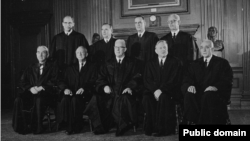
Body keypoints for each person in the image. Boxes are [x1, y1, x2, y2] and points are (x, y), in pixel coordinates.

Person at [84, 39, 140, 136]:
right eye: (116, 47)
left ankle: (122, 126)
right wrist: (104, 86)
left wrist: (129, 87)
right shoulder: (107, 63)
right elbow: (100, 78)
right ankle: (101, 126)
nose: (117, 49)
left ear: (125, 49)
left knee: (124, 99)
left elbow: (137, 77)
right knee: (96, 98)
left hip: (124, 92)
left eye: (120, 47)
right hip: (110, 92)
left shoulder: (132, 63)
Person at [182, 40, 233, 125]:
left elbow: (227, 80)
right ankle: (192, 123)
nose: (204, 50)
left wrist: (215, 87)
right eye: (202, 47)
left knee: (208, 95)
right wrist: (189, 86)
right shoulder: (194, 64)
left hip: (215, 94)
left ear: (212, 49)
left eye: (207, 47)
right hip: (198, 93)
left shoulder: (222, 63)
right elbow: (187, 78)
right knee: (189, 94)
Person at [12, 46, 58, 134]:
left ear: (47, 54)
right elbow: (22, 81)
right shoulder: (30, 67)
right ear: (36, 54)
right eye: (38, 52)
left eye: (43, 52)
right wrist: (30, 88)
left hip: (46, 94)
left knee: (39, 99)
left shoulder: (52, 67)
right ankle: (22, 127)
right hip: (31, 92)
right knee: (18, 100)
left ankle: (37, 127)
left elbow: (54, 81)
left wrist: (41, 87)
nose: (40, 55)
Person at [143, 40, 182, 136]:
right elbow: (147, 80)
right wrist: (155, 90)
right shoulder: (150, 63)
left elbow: (174, 80)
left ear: (168, 49)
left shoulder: (175, 61)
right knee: (146, 98)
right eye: (160, 48)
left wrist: (161, 90)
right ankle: (151, 127)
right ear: (156, 51)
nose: (163, 49)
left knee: (164, 97)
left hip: (169, 91)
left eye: (164, 47)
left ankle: (163, 129)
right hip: (154, 91)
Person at [57, 46, 97, 135]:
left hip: (85, 94)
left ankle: (77, 126)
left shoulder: (92, 67)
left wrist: (84, 88)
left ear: (86, 54)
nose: (80, 54)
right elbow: (62, 80)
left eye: (82, 52)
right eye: (78, 53)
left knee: (75, 100)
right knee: (65, 99)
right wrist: (65, 89)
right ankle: (68, 125)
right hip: (71, 92)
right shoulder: (70, 67)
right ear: (75, 55)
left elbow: (94, 80)